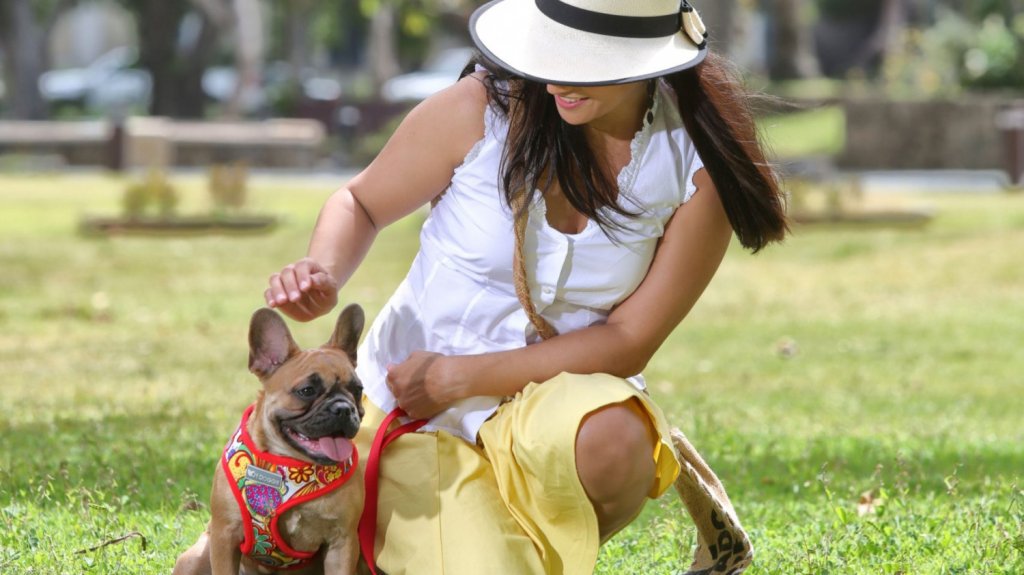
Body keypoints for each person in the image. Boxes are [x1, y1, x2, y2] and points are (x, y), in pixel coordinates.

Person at [264, 1, 787, 573]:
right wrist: (324, 271)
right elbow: (360, 201)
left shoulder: (693, 167)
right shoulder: (479, 111)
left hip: (539, 408)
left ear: (647, 59)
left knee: (616, 438)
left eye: (586, 60)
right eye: (550, 48)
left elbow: (629, 340)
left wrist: (456, 378)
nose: (558, 76)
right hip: (410, 411)